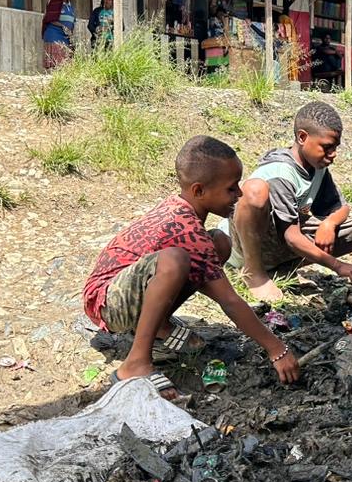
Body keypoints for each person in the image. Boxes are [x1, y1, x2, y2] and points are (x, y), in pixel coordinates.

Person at [82, 135, 300, 395]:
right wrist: (277, 348)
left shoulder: (185, 213)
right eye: (231, 188)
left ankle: (159, 325)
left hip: (122, 292)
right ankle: (136, 363)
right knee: (175, 259)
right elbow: (229, 301)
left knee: (219, 242)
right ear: (198, 191)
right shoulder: (186, 229)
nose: (239, 194)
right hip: (107, 301)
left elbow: (211, 276)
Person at [229, 101, 352, 302]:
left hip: (279, 242)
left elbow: (342, 207)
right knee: (255, 191)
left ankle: (280, 271)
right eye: (327, 147)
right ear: (302, 137)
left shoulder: (318, 168)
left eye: (336, 147)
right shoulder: (280, 172)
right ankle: (254, 272)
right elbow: (291, 237)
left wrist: (330, 223)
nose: (333, 154)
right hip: (247, 244)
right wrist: (337, 266)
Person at [41, 0, 76, 70]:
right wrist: (63, 26)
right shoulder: (55, 3)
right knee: (56, 63)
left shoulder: (70, 6)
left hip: (65, 35)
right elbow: (50, 19)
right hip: (54, 34)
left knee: (66, 62)